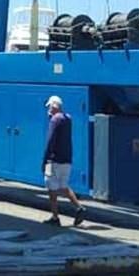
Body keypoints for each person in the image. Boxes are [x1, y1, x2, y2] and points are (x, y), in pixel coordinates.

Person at [42, 95, 86, 226]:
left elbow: (50, 141)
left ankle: (55, 217)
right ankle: (79, 207)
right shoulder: (68, 119)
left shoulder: (55, 120)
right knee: (63, 185)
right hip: (67, 159)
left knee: (51, 187)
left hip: (53, 160)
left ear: (54, 106)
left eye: (50, 106)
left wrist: (44, 160)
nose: (48, 109)